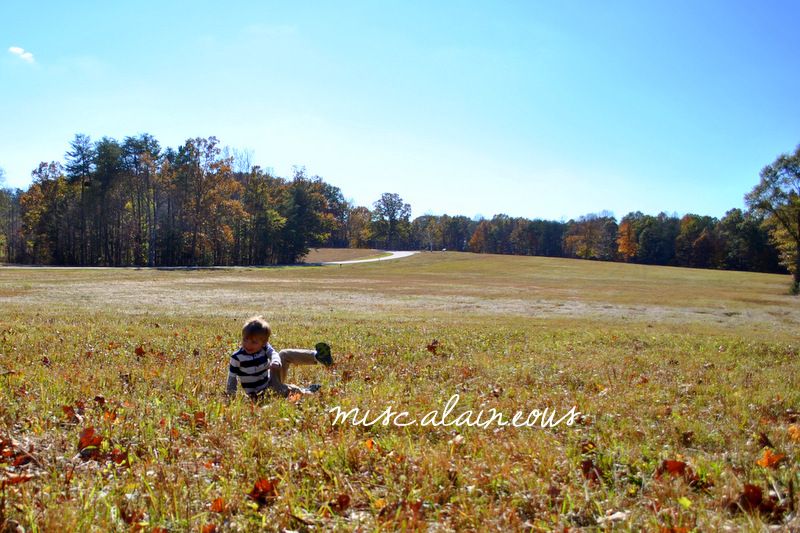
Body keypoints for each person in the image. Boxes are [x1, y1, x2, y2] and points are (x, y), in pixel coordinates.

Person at [225, 315, 333, 399]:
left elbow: (273, 354)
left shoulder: (265, 347)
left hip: (271, 380)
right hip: (261, 393)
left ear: (264, 342)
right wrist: (231, 396)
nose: (248, 344)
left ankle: (317, 356)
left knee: (283, 354)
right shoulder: (237, 357)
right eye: (245, 340)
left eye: (254, 342)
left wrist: (275, 361)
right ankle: (305, 392)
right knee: (281, 390)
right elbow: (232, 378)